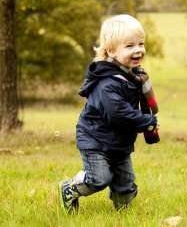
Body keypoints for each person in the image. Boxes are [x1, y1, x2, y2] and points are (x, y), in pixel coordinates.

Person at [58, 14, 158, 213]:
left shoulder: (133, 76)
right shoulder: (107, 82)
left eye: (140, 43)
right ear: (111, 51)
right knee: (98, 179)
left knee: (126, 186)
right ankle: (69, 188)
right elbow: (119, 113)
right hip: (95, 139)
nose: (138, 49)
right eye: (129, 46)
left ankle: (121, 215)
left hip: (119, 141)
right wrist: (146, 121)